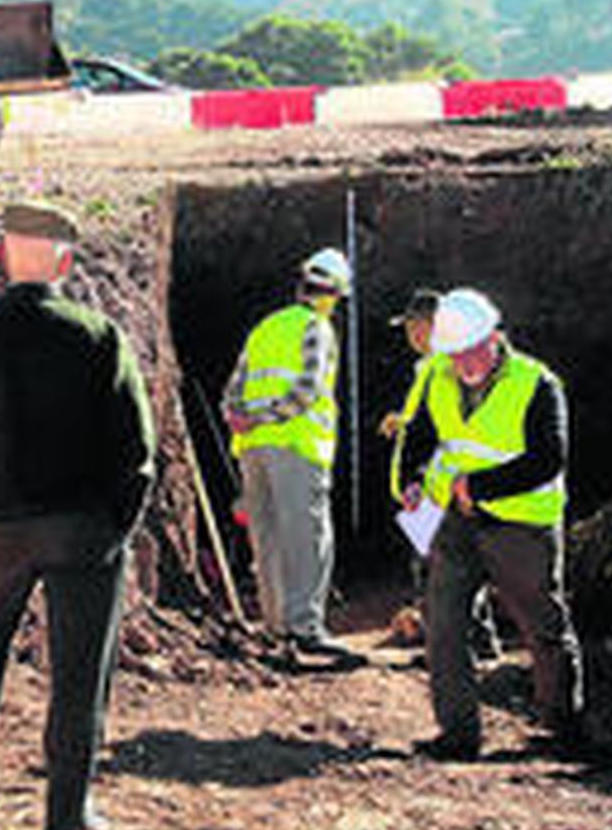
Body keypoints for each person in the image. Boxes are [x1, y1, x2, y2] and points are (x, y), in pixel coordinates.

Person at [0, 200, 156, 830]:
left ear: (2, 256)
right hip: (83, 531)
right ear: (65, 262)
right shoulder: (98, 338)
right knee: (79, 674)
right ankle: (66, 817)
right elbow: (137, 453)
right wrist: (114, 530)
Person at [398, 288, 584, 761]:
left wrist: (480, 488)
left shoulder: (538, 383)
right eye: (454, 353)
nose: (463, 362)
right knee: (443, 622)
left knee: (542, 625)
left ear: (496, 339)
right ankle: (458, 734)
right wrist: (412, 482)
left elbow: (549, 458)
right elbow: (419, 435)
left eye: (471, 350)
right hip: (455, 522)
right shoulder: (438, 375)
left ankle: (561, 727)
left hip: (522, 524)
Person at [221, 247, 362, 666]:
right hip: (296, 446)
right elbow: (306, 393)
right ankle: (305, 627)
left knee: (266, 537)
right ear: (333, 294)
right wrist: (266, 417)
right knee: (306, 537)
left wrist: (244, 420)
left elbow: (232, 391)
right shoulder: (316, 327)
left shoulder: (265, 328)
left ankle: (276, 625)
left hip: (251, 451)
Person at [382, 288, 501, 664]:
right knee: (436, 562)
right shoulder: (429, 368)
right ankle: (466, 644)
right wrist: (402, 422)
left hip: (447, 481)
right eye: (409, 328)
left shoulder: (456, 365)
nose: (411, 336)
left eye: (417, 326)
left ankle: (461, 647)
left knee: (444, 564)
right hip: (427, 481)